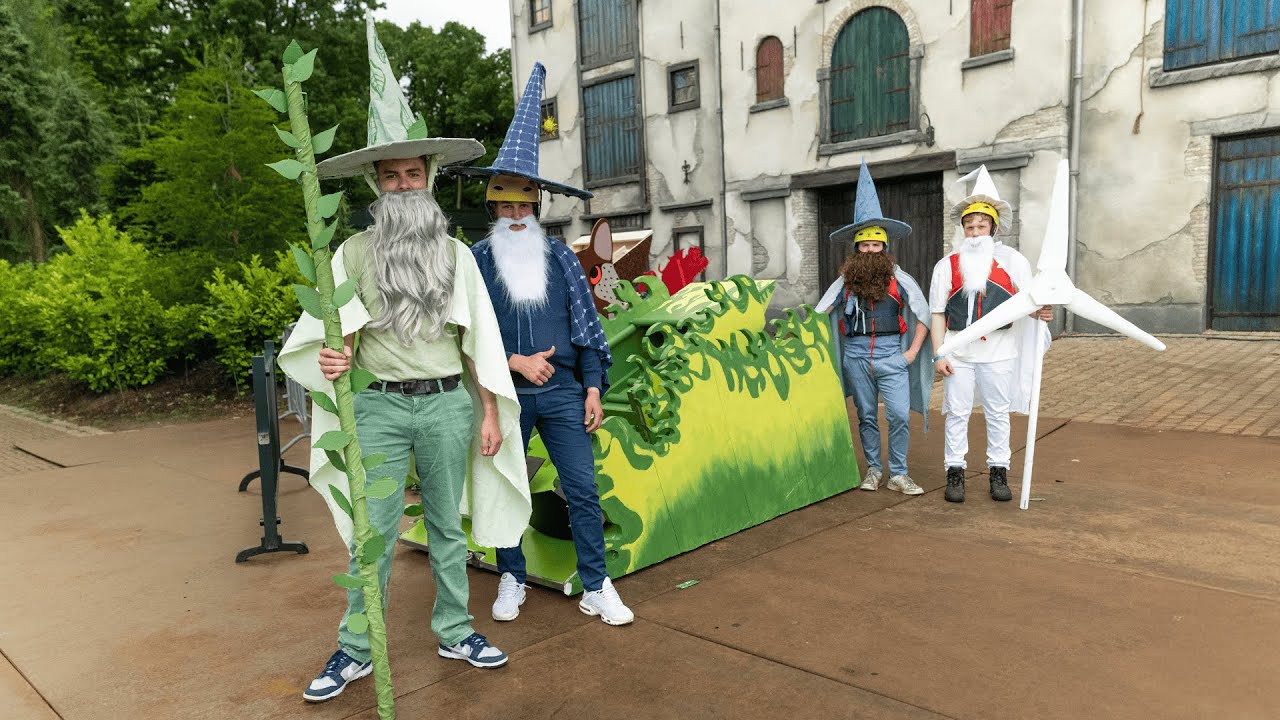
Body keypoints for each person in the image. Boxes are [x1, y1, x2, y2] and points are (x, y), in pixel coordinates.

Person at [277, 19, 532, 703]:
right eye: (389, 175)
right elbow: (333, 334)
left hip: (448, 404)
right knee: (375, 534)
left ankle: (456, 629)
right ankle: (357, 647)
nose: (400, 184)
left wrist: (487, 412)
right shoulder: (353, 254)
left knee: (448, 527)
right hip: (380, 408)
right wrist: (334, 360)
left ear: (428, 178)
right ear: (377, 183)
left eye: (411, 173)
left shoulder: (455, 255)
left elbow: (477, 340)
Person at [454, 62, 634, 626]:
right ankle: (511, 574)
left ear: (537, 207)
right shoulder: (475, 262)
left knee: (582, 488)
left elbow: (588, 325)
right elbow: (463, 331)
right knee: (508, 488)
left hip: (562, 393)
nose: (515, 215)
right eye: (505, 206)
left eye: (524, 205)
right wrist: (513, 360)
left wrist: (593, 387)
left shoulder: (560, 257)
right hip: (502, 396)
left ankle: (596, 585)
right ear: (492, 207)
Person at [928, 166, 1053, 504]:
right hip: (959, 352)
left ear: (993, 228)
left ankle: (999, 472)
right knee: (957, 413)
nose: (975, 232)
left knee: (998, 413)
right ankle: (955, 472)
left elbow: (1028, 302)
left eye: (981, 226)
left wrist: (1041, 311)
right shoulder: (947, 265)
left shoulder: (1013, 261)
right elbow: (937, 312)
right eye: (969, 226)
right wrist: (939, 353)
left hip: (999, 352)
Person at [817, 163, 933, 495]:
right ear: (856, 249)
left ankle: (899, 473)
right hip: (855, 358)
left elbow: (924, 315)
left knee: (899, 416)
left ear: (884, 248)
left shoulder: (900, 279)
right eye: (864, 245)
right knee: (866, 415)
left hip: (891, 356)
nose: (870, 250)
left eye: (876, 245)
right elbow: (820, 312)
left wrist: (911, 354)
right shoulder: (845, 281)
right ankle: (873, 470)